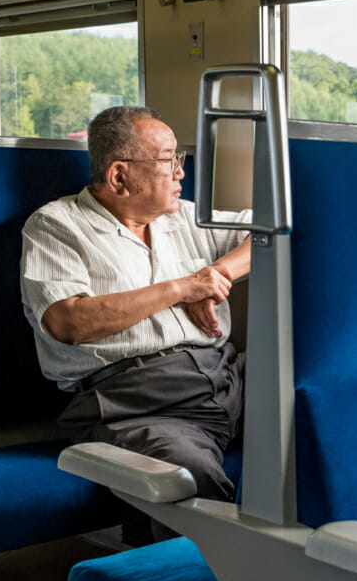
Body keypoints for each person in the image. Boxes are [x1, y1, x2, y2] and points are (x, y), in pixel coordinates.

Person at [21, 106, 251, 503]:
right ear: (119, 176)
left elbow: (277, 232)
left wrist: (215, 275)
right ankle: (209, 566)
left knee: (327, 408)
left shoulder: (184, 218)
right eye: (168, 160)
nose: (181, 171)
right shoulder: (56, 225)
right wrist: (181, 289)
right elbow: (68, 320)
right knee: (188, 476)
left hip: (226, 376)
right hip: (137, 402)